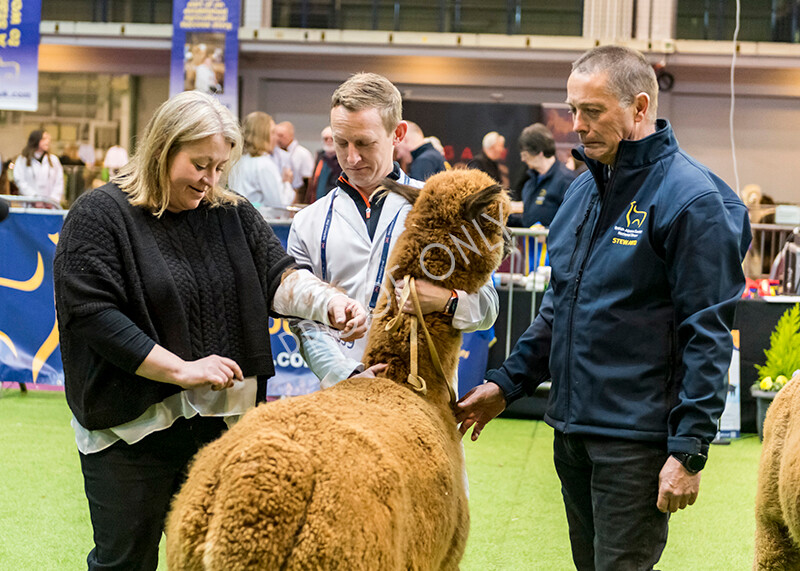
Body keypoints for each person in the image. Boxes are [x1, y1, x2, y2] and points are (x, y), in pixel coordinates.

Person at [456, 45, 751, 570]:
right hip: (571, 433)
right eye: (573, 111)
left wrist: (689, 449)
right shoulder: (581, 193)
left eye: (592, 112)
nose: (578, 126)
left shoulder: (692, 200)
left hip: (634, 443)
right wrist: (508, 383)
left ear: (640, 108)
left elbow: (707, 335)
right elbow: (559, 309)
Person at [53, 90, 368, 571]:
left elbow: (277, 275)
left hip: (218, 428)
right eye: (200, 164)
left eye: (220, 167)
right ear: (162, 150)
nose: (210, 180)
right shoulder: (99, 214)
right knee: (125, 561)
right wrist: (179, 370)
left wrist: (332, 305)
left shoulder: (233, 212)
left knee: (215, 559)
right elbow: (94, 314)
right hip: (129, 430)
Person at [287, 72, 499, 389]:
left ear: (397, 133)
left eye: (364, 143)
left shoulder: (442, 207)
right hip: (344, 395)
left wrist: (445, 301)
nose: (351, 157)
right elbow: (302, 318)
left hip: (423, 393)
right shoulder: (308, 222)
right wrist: (346, 374)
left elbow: (488, 308)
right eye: (341, 142)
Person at [513, 122, 576, 228]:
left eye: (525, 154)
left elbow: (572, 222)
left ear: (539, 152)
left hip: (554, 244)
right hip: (532, 244)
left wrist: (546, 232)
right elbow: (529, 219)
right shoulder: (530, 182)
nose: (523, 159)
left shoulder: (566, 180)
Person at [227, 111, 293, 210]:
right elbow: (280, 204)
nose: (276, 138)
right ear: (263, 135)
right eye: (272, 132)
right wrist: (287, 182)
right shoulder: (264, 164)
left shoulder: (236, 161)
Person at [14, 129, 64, 206]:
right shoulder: (22, 160)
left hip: (50, 206)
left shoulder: (54, 160)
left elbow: (59, 181)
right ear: (35, 140)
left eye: (48, 139)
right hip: (29, 205)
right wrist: (34, 199)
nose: (47, 142)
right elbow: (20, 181)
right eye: (44, 139)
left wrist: (53, 200)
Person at [274, 120, 316, 201]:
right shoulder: (274, 153)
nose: (277, 139)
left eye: (281, 135)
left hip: (298, 195)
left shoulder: (303, 154)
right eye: (276, 135)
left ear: (291, 135)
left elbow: (308, 182)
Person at [304, 125, 342, 204]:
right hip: (316, 202)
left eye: (331, 139)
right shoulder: (320, 157)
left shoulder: (342, 160)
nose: (328, 141)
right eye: (326, 139)